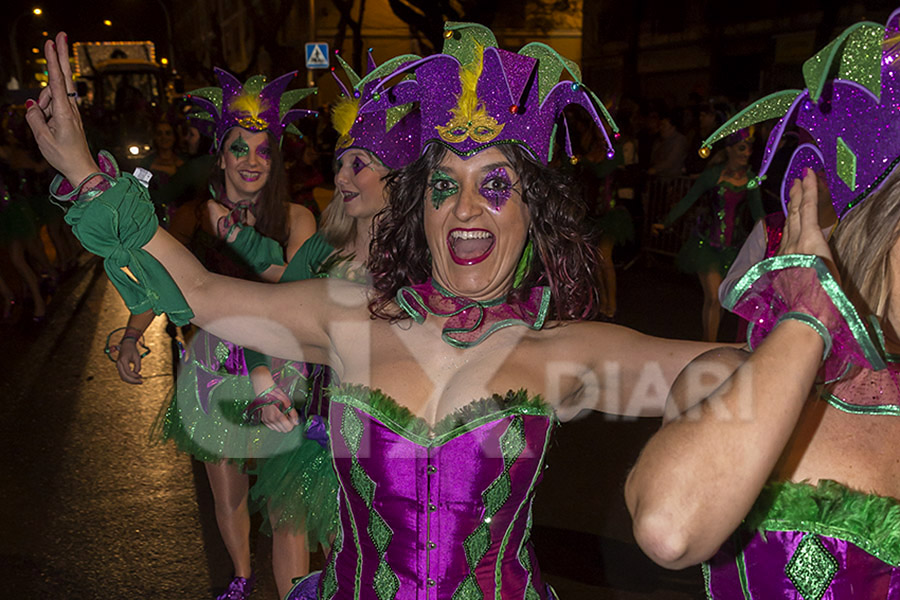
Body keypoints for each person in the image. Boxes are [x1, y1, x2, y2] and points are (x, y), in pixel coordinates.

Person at [30, 26, 735, 598]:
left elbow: (733, 373)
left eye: (495, 185)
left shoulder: (571, 354)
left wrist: (810, 320)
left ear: (531, 214)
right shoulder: (348, 319)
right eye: (444, 185)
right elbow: (206, 296)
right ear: (418, 210)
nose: (465, 206)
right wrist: (86, 175)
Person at [626, 14, 900, 598]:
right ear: (879, 231)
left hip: (739, 245)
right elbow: (669, 526)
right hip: (723, 255)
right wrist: (810, 317)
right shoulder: (723, 377)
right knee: (711, 299)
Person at [111, 68, 319, 599]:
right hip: (210, 366)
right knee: (226, 492)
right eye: (239, 148)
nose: (251, 161)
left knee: (285, 504)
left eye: (263, 151)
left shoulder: (296, 218)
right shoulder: (190, 218)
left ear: (275, 161)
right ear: (220, 156)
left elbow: (297, 288)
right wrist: (134, 335)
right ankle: (242, 577)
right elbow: (160, 283)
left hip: (281, 369)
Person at [664, 129, 764, 341]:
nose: (747, 153)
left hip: (734, 249)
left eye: (749, 148)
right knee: (713, 297)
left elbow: (759, 215)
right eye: (741, 148)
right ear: (729, 150)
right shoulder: (713, 175)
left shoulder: (751, 179)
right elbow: (688, 199)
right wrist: (666, 222)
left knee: (723, 299)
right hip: (707, 247)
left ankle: (710, 342)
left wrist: (773, 237)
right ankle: (708, 345)